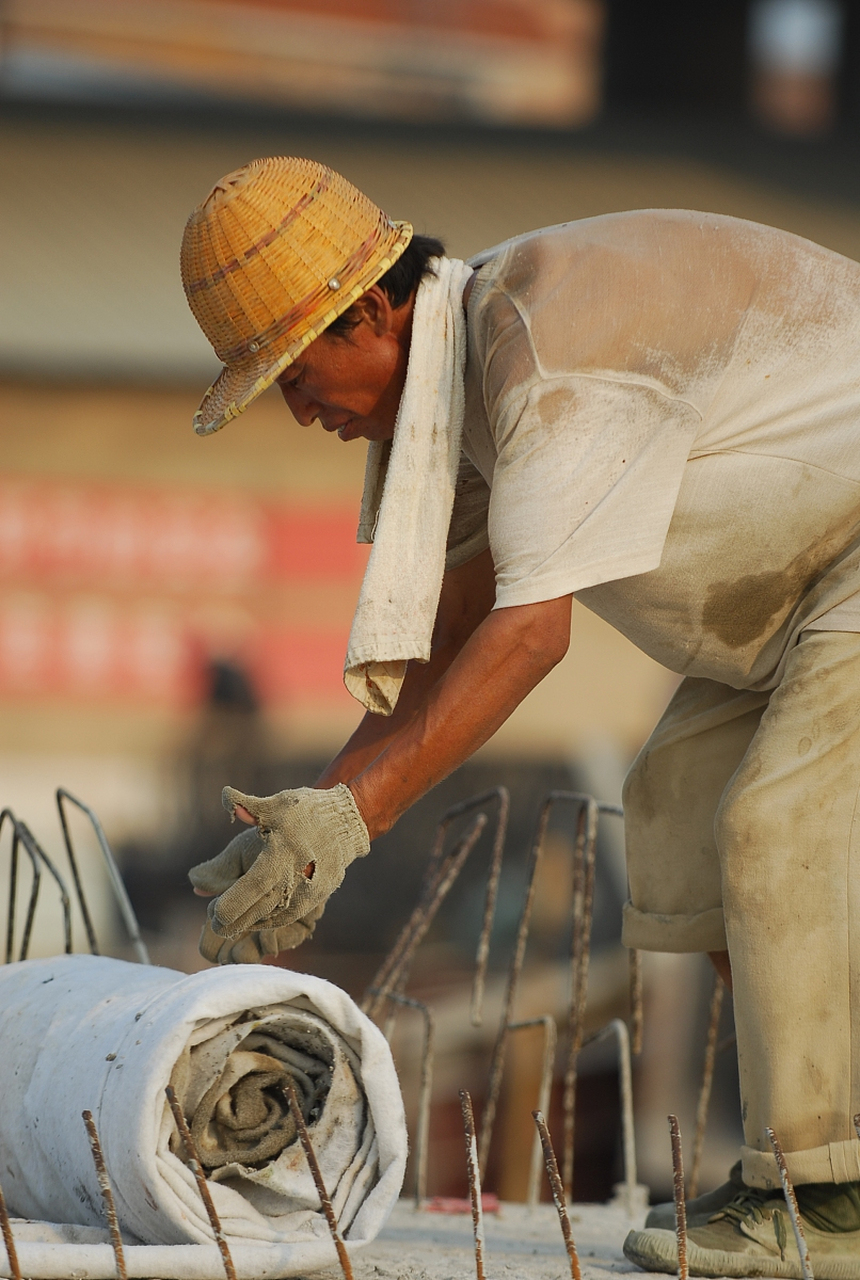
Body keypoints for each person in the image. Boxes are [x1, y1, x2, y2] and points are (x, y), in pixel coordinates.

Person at [180, 156, 860, 1275]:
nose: (301, 412)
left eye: (296, 374)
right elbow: (452, 626)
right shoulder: (462, 385)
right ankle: (795, 1168)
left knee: (778, 826)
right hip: (794, 591)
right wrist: (309, 821)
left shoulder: (539, 348)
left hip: (841, 561)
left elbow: (530, 632)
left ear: (372, 310)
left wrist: (358, 819)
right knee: (680, 809)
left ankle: (834, 1195)